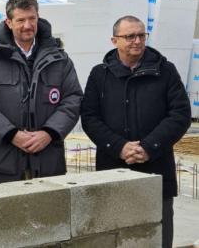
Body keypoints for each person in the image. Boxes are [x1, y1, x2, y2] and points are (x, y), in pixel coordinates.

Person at [80, 15, 190, 248]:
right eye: (130, 36)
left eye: (141, 35)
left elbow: (180, 115)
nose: (137, 41)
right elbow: (90, 118)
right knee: (113, 236)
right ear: (114, 40)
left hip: (156, 170)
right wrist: (119, 147)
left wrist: (150, 147)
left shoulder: (165, 71)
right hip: (112, 169)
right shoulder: (100, 75)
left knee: (157, 238)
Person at [0, 0, 82, 184]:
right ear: (9, 22)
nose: (27, 26)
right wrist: (11, 134)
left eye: (32, 19)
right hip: (2, 161)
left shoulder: (60, 59)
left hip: (47, 162)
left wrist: (49, 133)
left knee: (47, 213)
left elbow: (73, 99)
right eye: (20, 20)